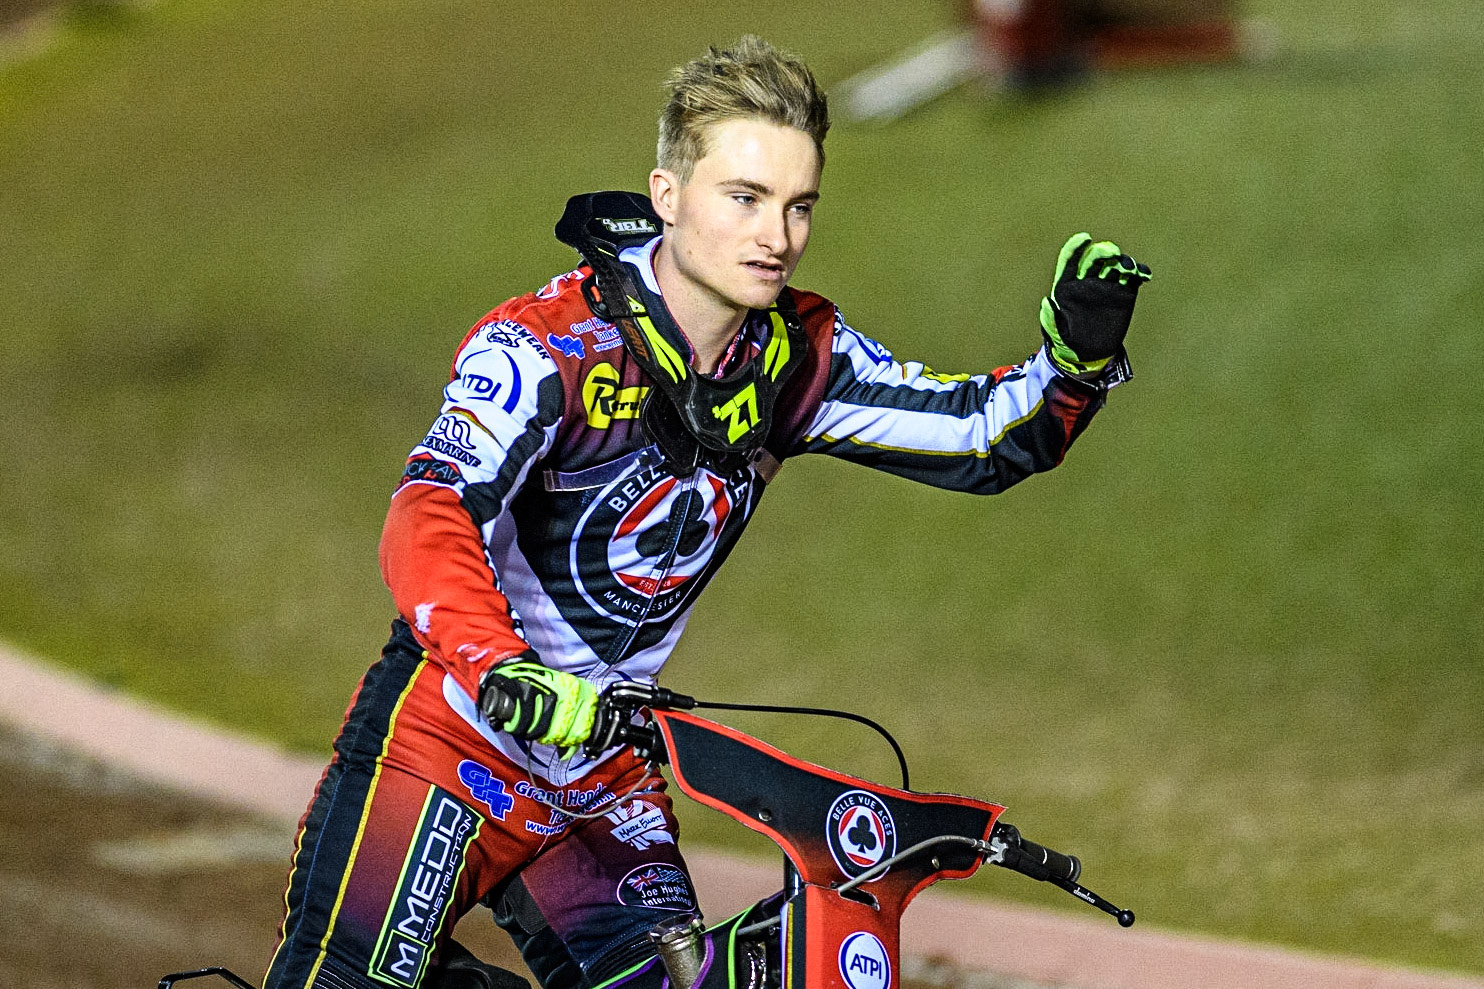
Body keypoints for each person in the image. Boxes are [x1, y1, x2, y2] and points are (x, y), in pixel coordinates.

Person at [263, 34, 1151, 989]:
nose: (777, 236)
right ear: (668, 194)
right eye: (745, 198)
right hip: (455, 729)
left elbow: (987, 437)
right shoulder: (542, 345)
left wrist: (1076, 366)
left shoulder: (800, 358)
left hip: (606, 771)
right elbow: (429, 512)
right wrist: (504, 664)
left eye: (798, 205)